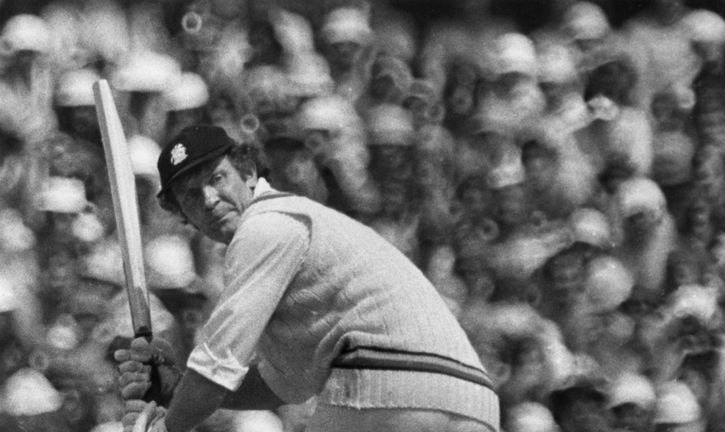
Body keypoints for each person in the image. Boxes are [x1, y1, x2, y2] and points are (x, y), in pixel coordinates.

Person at [114, 125, 500, 432]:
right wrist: (176, 390)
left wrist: (166, 426)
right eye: (191, 196)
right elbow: (281, 385)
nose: (210, 199)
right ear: (183, 214)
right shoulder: (298, 223)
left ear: (248, 172)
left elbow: (218, 365)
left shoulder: (265, 226)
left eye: (217, 178)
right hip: (471, 404)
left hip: (388, 391)